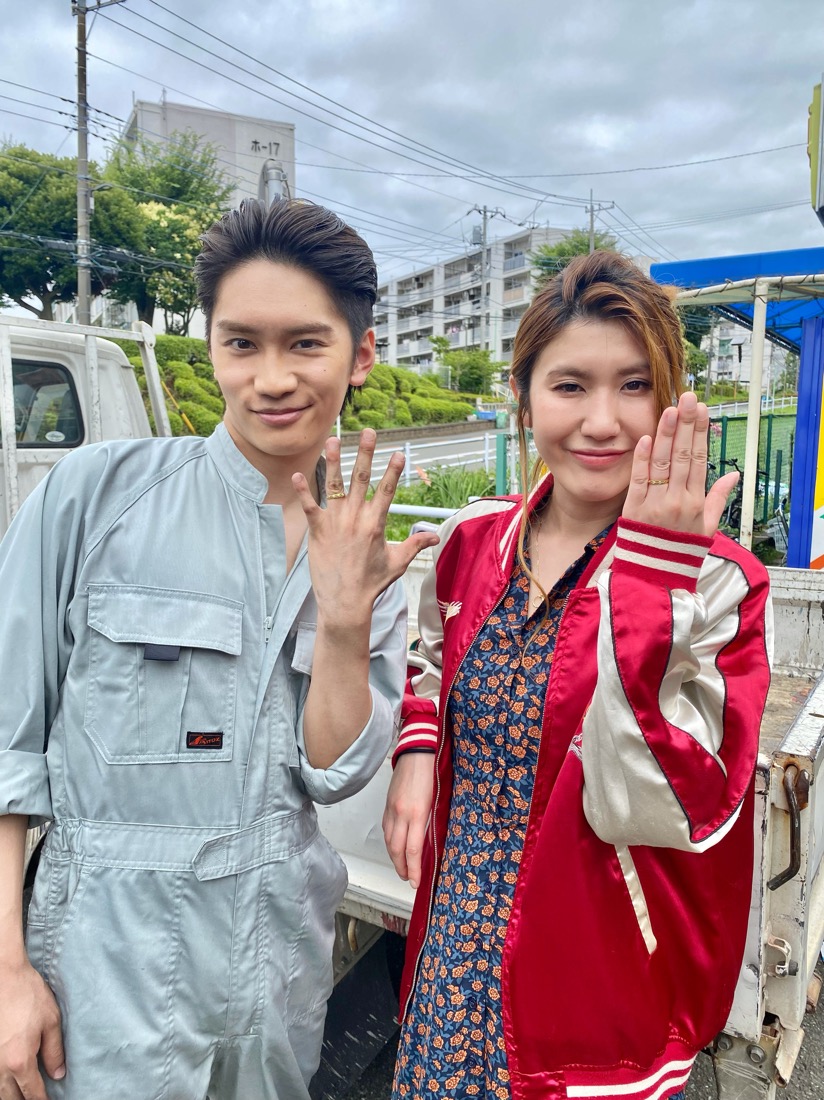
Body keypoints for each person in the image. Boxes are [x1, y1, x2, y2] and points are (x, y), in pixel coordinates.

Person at [0, 198, 437, 1100]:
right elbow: (7, 748)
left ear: (360, 356)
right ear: (211, 347)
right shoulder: (91, 498)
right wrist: (6, 971)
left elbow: (332, 774)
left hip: (278, 969)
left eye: (305, 344)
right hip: (101, 966)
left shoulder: (368, 554)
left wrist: (345, 617)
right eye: (242, 343)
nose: (271, 378)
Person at [383, 251, 771, 1100]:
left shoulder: (719, 581)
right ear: (523, 400)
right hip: (449, 956)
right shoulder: (473, 542)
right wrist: (417, 751)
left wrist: (650, 588)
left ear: (670, 402)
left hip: (596, 996)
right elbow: (430, 659)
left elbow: (669, 806)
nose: (603, 421)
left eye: (635, 386)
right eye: (570, 386)